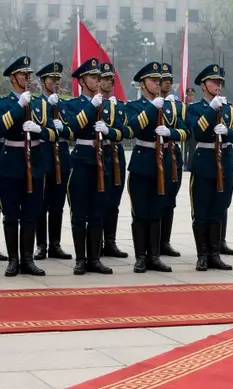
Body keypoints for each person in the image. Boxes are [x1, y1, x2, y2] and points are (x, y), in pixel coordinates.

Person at [126, 62, 190, 273]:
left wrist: (170, 133)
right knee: (141, 214)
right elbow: (132, 128)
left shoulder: (170, 107)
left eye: (159, 81)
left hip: (164, 161)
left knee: (156, 212)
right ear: (142, 84)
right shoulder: (134, 106)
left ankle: (154, 256)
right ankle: (140, 257)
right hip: (143, 161)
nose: (157, 84)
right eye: (153, 80)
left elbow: (184, 132)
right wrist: (151, 108)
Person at [62, 57, 122, 275]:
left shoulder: (109, 106)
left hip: (102, 159)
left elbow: (120, 132)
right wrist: (90, 108)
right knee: (79, 214)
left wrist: (108, 131)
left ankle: (94, 258)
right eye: (92, 77)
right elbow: (71, 130)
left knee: (98, 213)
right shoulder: (72, 104)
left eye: (98, 77)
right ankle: (80, 259)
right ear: (81, 81)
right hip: (81, 159)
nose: (97, 81)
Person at [0, 56, 58, 277]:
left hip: (35, 162)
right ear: (13, 78)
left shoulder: (41, 104)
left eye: (29, 74)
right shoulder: (4, 103)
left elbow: (54, 134)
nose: (28, 78)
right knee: (11, 215)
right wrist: (18, 106)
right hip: (10, 162)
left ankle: (27, 259)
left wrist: (38, 130)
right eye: (23, 74)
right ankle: (13, 260)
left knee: (31, 214)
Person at [187, 64, 233, 271]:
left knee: (218, 210)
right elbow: (199, 132)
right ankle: (202, 255)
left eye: (220, 82)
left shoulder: (230, 108)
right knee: (201, 212)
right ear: (203, 85)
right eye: (213, 82)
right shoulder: (194, 108)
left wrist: (228, 132)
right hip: (204, 161)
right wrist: (212, 110)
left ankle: (214, 254)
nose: (217, 85)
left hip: (226, 161)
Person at [33, 62, 73, 261]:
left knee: (58, 202)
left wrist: (63, 127)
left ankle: (55, 244)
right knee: (41, 202)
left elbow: (73, 130)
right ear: (43, 81)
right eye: (52, 79)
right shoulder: (35, 104)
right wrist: (49, 109)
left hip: (62, 154)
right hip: (43, 153)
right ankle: (41, 244)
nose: (56, 83)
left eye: (58, 79)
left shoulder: (64, 105)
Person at [98, 62, 131, 258]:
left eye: (112, 79)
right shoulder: (93, 104)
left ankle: (110, 241)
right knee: (99, 200)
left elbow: (127, 131)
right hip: (99, 153)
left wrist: (111, 132)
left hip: (116, 154)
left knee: (114, 201)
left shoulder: (120, 106)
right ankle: (97, 241)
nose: (110, 82)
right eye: (105, 79)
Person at [159, 62, 188, 257]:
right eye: (163, 80)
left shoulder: (176, 106)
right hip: (153, 154)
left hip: (171, 154)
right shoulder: (148, 105)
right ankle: (151, 242)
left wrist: (173, 132)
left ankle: (165, 241)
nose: (167, 84)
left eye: (169, 80)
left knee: (170, 200)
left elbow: (185, 131)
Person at [183, 87, 197, 172]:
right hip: (185, 130)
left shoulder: (196, 107)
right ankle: (184, 165)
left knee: (192, 149)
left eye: (192, 95)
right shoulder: (183, 106)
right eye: (189, 95)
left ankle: (190, 165)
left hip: (193, 131)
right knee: (184, 149)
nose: (190, 97)